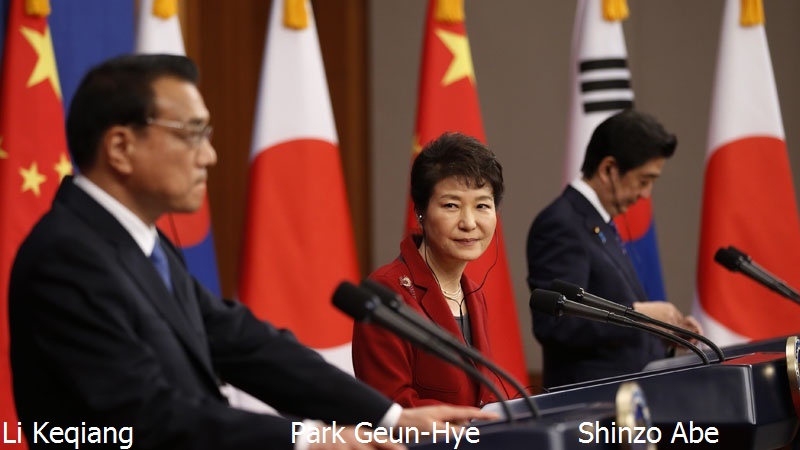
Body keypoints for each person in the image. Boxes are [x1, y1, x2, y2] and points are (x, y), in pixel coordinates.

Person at [8, 54, 495, 450]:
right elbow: (141, 419)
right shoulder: (67, 257)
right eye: (192, 134)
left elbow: (243, 343)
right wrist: (308, 439)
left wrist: (390, 416)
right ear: (120, 147)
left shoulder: (143, 245)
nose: (209, 155)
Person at [526, 109, 702, 388]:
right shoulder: (561, 223)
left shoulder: (600, 224)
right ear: (608, 169)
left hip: (627, 403)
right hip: (592, 409)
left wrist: (661, 331)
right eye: (644, 181)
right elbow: (556, 324)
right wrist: (640, 316)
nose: (646, 194)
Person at [352, 132, 507, 408]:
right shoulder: (388, 291)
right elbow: (390, 408)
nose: (469, 222)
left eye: (482, 205)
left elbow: (483, 394)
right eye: (451, 205)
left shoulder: (472, 293)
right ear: (420, 211)